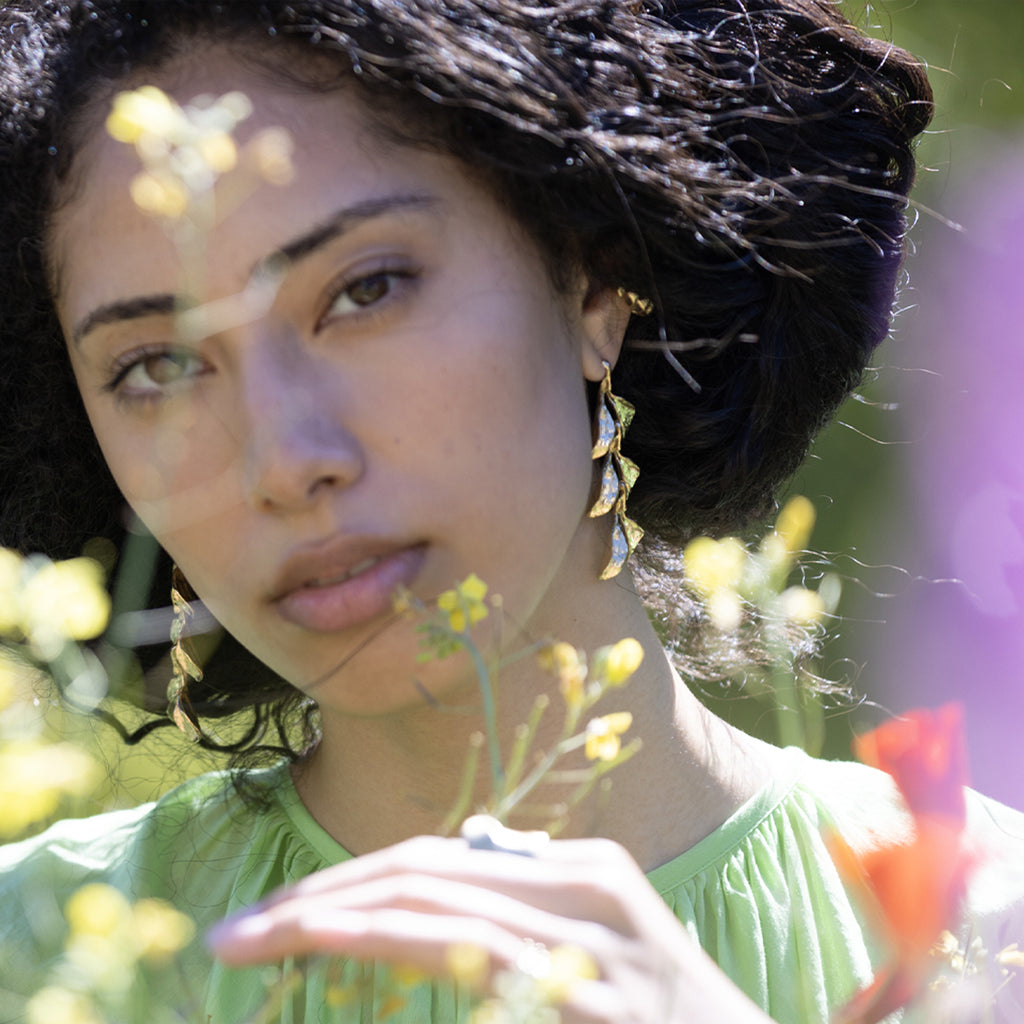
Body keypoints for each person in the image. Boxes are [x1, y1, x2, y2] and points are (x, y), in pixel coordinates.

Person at [0, 1, 1021, 1021]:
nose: (282, 460)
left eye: (366, 289)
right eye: (157, 365)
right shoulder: (35, 953)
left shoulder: (983, 935)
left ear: (594, 282)